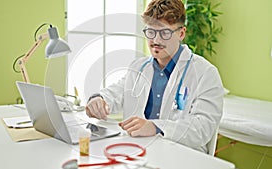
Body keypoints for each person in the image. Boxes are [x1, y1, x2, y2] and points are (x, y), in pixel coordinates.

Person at [85, 0, 224, 154]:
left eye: (165, 33)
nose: (156, 41)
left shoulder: (205, 73)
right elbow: (117, 92)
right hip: (139, 153)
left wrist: (156, 127)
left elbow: (203, 129)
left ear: (181, 33)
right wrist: (99, 99)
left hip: (182, 156)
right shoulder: (138, 67)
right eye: (151, 32)